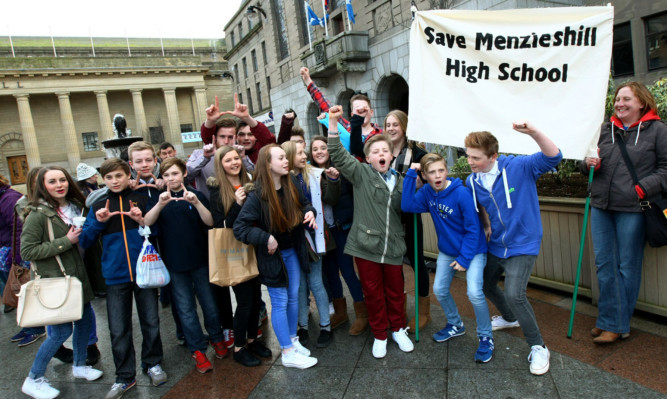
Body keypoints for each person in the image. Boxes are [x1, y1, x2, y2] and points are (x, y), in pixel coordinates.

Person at [465, 122, 562, 375]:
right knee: (485, 284)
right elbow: (481, 205)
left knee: (514, 294)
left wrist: (534, 133)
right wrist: (486, 224)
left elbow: (554, 157)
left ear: (493, 156)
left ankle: (539, 346)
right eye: (468, 156)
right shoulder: (473, 180)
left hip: (523, 243)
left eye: (476, 157)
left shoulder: (519, 167)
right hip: (497, 243)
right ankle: (510, 317)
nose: (470, 161)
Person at [582, 82, 667, 344]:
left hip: (633, 208)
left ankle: (613, 324)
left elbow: (665, 169)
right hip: (601, 206)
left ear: (641, 102)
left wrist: (640, 189)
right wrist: (588, 164)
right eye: (617, 99)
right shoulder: (604, 130)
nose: (619, 104)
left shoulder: (658, 130)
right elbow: (584, 164)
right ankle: (613, 322)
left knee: (627, 266)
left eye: (626, 99)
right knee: (604, 265)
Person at [327, 105, 413, 359]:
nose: (381, 154)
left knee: (396, 292)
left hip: (393, 246)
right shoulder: (361, 173)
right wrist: (333, 123)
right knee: (373, 294)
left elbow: (407, 207)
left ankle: (397, 329)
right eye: (376, 151)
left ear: (390, 155)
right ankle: (379, 334)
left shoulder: (400, 178)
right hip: (366, 247)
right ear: (369, 157)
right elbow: (338, 154)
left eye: (385, 150)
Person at [79, 159, 167, 398]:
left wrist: (141, 220)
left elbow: (157, 229)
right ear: (103, 179)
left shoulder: (140, 197)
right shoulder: (97, 203)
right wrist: (98, 222)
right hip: (115, 274)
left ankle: (152, 363)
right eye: (109, 177)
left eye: (119, 176)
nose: (115, 181)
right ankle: (124, 376)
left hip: (144, 271)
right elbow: (85, 241)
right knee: (118, 329)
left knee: (151, 321)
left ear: (128, 174)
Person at [20, 167, 103, 399]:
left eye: (62, 180)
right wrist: (64, 241)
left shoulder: (73, 207)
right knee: (59, 332)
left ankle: (79, 365)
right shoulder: (37, 214)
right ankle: (33, 378)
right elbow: (27, 251)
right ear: (42, 186)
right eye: (52, 181)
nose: (59, 185)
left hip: (77, 278)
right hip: (55, 280)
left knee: (85, 321)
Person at [233, 144, 319, 369]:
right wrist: (265, 237)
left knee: (293, 298)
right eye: (280, 158)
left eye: (285, 157)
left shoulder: (291, 184)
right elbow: (240, 229)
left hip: (293, 251)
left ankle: (292, 340)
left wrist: (311, 211)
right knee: (280, 302)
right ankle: (288, 353)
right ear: (268, 164)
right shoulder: (258, 194)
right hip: (273, 257)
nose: (286, 160)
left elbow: (306, 204)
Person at [402, 153, 493, 363]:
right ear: (424, 175)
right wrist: (410, 174)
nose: (437, 176)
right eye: (432, 172)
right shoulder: (426, 192)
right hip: (448, 250)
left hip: (473, 250)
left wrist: (464, 258)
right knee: (440, 290)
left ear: (447, 171)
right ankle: (456, 324)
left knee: (474, 293)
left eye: (441, 170)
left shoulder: (461, 193)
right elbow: (408, 206)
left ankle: (486, 336)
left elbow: (473, 229)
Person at [144, 157, 229, 373]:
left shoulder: (196, 195)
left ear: (183, 174)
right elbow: (146, 221)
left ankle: (217, 338)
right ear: (162, 178)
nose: (171, 178)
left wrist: (196, 202)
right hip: (174, 264)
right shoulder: (159, 198)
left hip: (200, 260)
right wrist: (160, 203)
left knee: (209, 304)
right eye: (166, 175)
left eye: (175, 173)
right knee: (186, 309)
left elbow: (210, 222)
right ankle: (197, 350)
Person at [207, 146, 272, 367]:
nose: (234, 163)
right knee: (244, 302)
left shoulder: (252, 183)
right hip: (235, 252)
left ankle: (253, 340)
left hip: (255, 248)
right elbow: (221, 226)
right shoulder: (217, 191)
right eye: (228, 160)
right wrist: (237, 204)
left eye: (236, 158)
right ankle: (239, 347)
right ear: (220, 165)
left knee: (255, 300)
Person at [308, 136, 368, 335]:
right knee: (331, 273)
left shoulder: (341, 169)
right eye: (315, 148)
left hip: (342, 229)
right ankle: (341, 312)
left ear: (330, 150)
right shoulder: (309, 175)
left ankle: (362, 313)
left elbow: (353, 197)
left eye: (323, 147)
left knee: (348, 271)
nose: (319, 152)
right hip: (322, 233)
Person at [282, 141, 339, 347]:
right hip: (291, 241)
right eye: (298, 153)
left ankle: (325, 326)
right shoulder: (281, 180)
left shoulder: (314, 174)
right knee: (299, 286)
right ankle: (303, 326)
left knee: (316, 282)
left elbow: (326, 200)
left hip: (312, 238)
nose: (304, 155)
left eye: (303, 152)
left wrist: (333, 180)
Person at [382, 110, 431, 333]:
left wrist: (420, 181)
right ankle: (398, 310)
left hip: (409, 215)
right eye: (388, 124)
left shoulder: (418, 153)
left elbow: (430, 181)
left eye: (395, 124)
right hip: (387, 216)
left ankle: (423, 311)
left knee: (416, 261)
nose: (391, 128)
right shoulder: (382, 149)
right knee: (393, 264)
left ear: (404, 126)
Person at [300, 67, 383, 147]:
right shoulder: (347, 128)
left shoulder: (381, 134)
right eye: (357, 109)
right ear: (352, 114)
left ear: (371, 112)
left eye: (364, 108)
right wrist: (308, 80)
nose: (361, 111)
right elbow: (324, 104)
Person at [199, 94, 276, 172]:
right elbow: (207, 136)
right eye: (222, 136)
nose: (226, 141)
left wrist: (247, 118)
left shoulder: (259, 152)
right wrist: (210, 120)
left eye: (230, 137)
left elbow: (268, 139)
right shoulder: (211, 152)